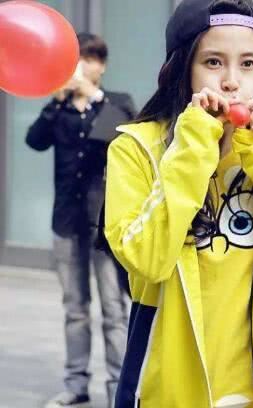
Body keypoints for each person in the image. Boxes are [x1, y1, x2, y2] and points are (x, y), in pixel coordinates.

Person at [103, 0, 253, 407]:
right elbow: (147, 259)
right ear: (181, 67)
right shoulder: (135, 149)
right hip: (167, 390)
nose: (231, 82)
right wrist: (193, 146)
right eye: (213, 62)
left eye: (248, 64)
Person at [26, 33, 136, 408]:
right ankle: (76, 385)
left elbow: (124, 132)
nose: (81, 67)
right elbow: (34, 140)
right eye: (76, 60)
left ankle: (119, 388)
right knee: (75, 309)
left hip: (104, 223)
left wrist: (93, 96)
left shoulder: (117, 103)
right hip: (66, 221)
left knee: (113, 309)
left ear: (101, 66)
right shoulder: (59, 108)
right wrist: (57, 101)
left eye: (88, 60)